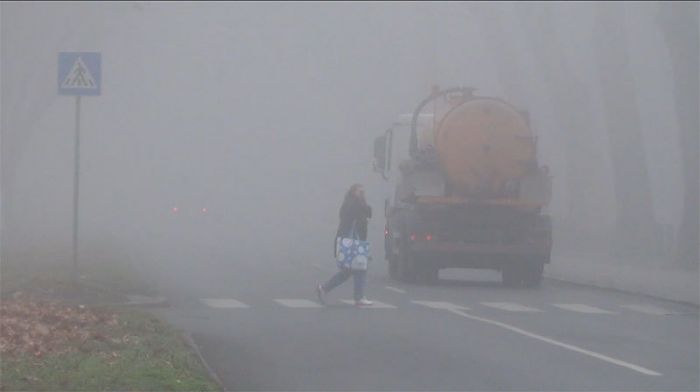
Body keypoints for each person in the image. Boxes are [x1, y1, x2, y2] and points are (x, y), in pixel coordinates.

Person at [316, 184, 373, 306]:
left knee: (348, 272)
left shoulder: (357, 204)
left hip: (353, 242)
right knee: (360, 268)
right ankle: (359, 297)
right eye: (359, 191)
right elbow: (356, 217)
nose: (362, 193)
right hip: (352, 242)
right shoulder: (351, 204)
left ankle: (324, 288)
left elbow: (369, 212)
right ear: (353, 192)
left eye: (363, 191)